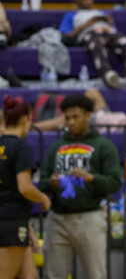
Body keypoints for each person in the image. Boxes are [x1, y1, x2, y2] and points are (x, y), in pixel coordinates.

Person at [39, 94, 121, 279]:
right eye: (67, 118)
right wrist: (51, 183)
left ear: (88, 116)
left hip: (90, 218)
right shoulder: (57, 146)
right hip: (57, 219)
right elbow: (42, 183)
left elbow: (115, 182)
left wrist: (91, 178)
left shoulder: (103, 146)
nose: (71, 122)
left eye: (76, 117)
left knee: (96, 275)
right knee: (54, 275)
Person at [0, 96, 50, 279]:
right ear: (25, 119)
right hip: (11, 221)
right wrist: (44, 198)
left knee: (30, 276)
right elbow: (25, 188)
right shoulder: (21, 147)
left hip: (12, 219)